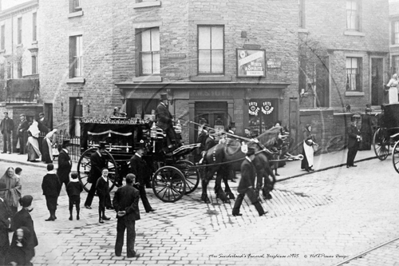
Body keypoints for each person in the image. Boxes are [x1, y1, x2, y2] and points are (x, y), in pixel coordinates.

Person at [232, 147, 266, 217]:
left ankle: (235, 212)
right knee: (254, 198)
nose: (254, 157)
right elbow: (245, 176)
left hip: (244, 185)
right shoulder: (246, 164)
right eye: (254, 155)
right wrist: (250, 185)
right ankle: (261, 212)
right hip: (246, 185)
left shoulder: (248, 162)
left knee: (240, 197)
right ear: (251, 156)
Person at [113, 173, 141, 258]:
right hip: (130, 217)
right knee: (131, 235)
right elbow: (134, 205)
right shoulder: (135, 191)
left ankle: (118, 252)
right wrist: (126, 211)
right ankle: (130, 252)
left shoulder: (119, 189)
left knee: (120, 234)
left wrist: (119, 210)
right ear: (133, 181)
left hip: (120, 216)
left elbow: (114, 201)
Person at [10, 195, 38, 265]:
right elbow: (30, 232)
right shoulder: (26, 217)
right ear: (29, 204)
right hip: (25, 244)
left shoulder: (17, 214)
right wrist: (32, 245)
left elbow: (13, 227)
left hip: (16, 241)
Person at [130, 141, 155, 213]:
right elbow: (134, 171)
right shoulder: (134, 159)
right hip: (137, 180)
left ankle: (148, 208)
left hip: (141, 179)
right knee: (135, 196)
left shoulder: (140, 158)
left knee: (143, 195)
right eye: (141, 150)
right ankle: (133, 209)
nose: (142, 151)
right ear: (137, 151)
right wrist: (135, 181)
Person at [84, 142, 106, 209]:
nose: (104, 151)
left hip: (100, 175)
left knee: (105, 189)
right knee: (92, 189)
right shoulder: (94, 156)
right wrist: (102, 172)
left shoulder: (101, 155)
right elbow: (94, 166)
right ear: (100, 149)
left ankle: (107, 204)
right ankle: (87, 204)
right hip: (95, 175)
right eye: (103, 149)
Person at [0, 182, 11, 265]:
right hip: (1, 229)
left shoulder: (3, 200)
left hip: (4, 229)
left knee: (5, 247)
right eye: (2, 191)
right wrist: (8, 223)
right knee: (2, 248)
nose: (4, 193)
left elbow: (8, 211)